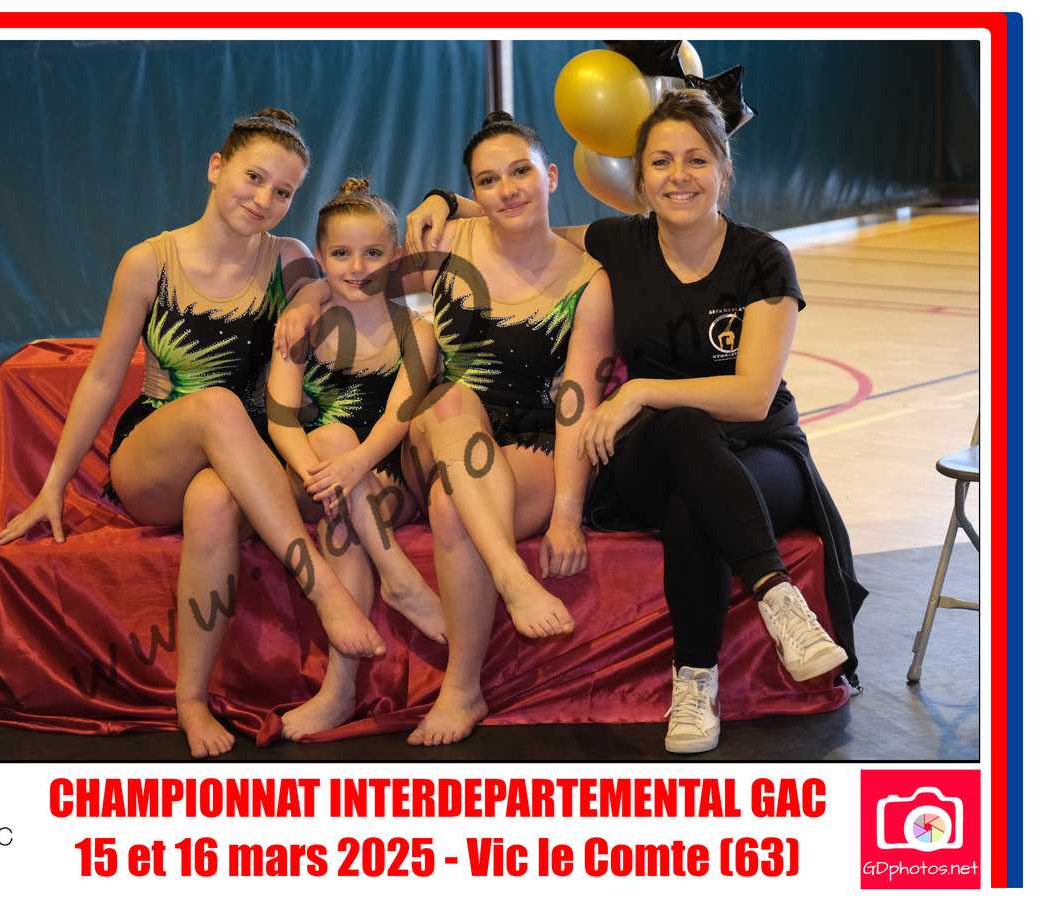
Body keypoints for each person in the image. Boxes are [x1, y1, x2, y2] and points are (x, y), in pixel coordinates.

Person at [407, 89, 865, 754]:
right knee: (683, 431)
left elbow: (752, 396)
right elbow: (519, 212)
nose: (679, 176)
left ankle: (703, 673)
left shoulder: (762, 257)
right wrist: (442, 200)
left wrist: (641, 390)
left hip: (760, 452)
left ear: (724, 168)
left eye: (696, 160)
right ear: (640, 179)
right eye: (661, 162)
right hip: (660, 447)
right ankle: (769, 599)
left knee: (692, 496)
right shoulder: (619, 243)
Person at [0, 109, 385, 759]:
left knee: (214, 499)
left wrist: (309, 301)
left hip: (243, 459)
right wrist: (54, 483)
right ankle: (323, 589)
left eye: (283, 191)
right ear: (216, 166)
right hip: (157, 453)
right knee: (215, 406)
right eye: (253, 178)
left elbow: (324, 290)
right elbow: (101, 378)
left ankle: (190, 699)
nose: (264, 199)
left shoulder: (290, 258)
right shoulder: (150, 261)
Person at [384, 112, 613, 746]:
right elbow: (357, 279)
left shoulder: (588, 281)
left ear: (551, 176)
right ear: (473, 194)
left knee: (450, 506)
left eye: (520, 172)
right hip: (439, 431)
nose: (507, 190)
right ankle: (513, 578)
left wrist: (567, 514)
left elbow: (577, 402)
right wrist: (309, 299)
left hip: (527, 443)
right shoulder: (449, 243)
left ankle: (462, 690)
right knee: (451, 400)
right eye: (488, 181)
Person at [265, 176, 446, 740]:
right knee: (330, 441)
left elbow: (399, 415)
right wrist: (319, 473)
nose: (357, 266)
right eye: (341, 254)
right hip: (312, 472)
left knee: (340, 509)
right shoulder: (301, 325)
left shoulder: (416, 329)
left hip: (386, 476)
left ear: (396, 255)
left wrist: (353, 465)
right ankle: (398, 578)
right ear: (320, 257)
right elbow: (280, 418)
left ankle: (339, 691)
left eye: (373, 253)